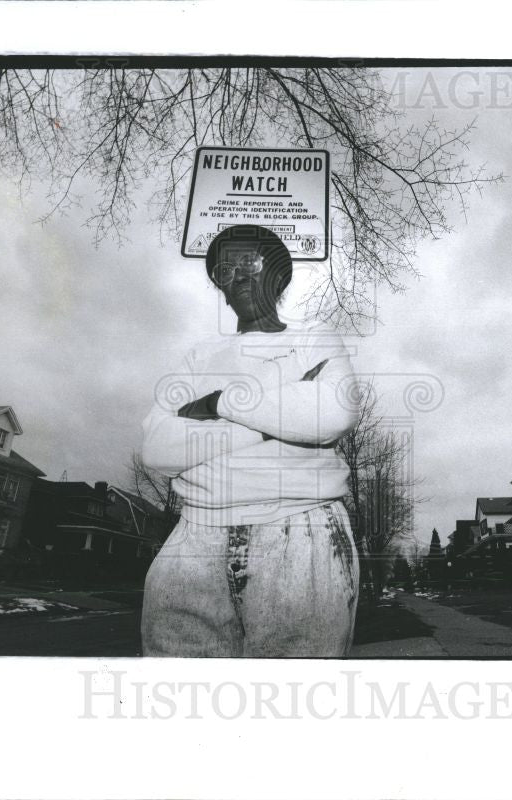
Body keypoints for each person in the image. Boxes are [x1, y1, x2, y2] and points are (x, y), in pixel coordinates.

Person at [140, 224, 361, 657]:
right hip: (193, 536)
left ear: (278, 274)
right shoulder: (199, 356)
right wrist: (272, 420)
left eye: (249, 262)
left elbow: (332, 413)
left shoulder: (312, 337)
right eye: (224, 270)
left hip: (301, 529)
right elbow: (158, 448)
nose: (236, 275)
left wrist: (218, 402)